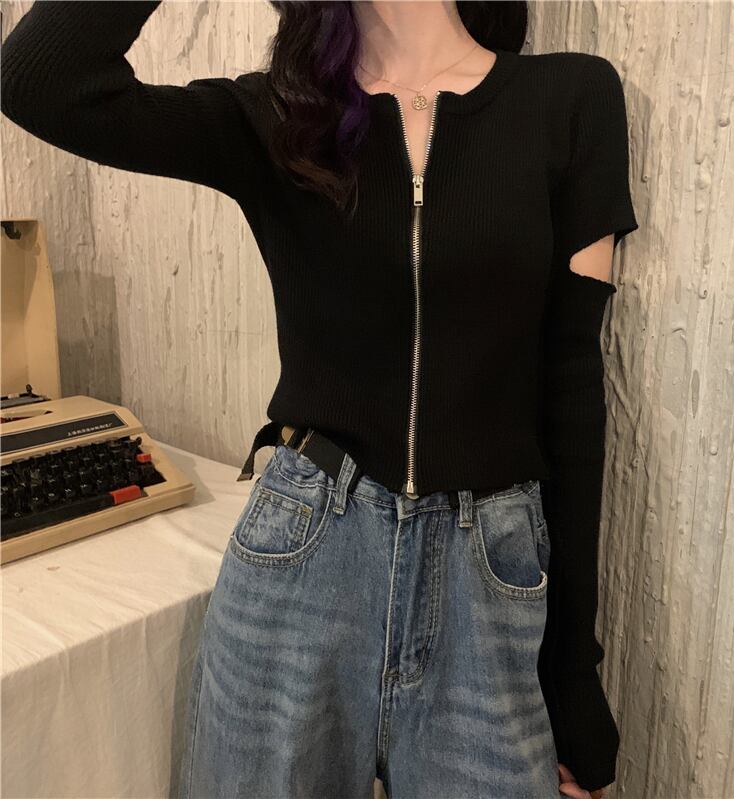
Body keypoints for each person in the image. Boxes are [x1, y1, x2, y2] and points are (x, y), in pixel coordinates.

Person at [1, 1, 639, 797]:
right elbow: (40, 80)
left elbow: (573, 391)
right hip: (303, 558)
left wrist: (574, 672)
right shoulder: (279, 118)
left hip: (486, 582)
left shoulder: (570, 99)